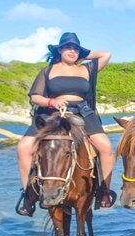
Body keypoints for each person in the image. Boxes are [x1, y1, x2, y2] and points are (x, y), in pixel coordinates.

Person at [15, 32, 116, 216]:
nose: (72, 50)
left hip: (82, 111)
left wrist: (81, 55)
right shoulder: (48, 70)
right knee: (23, 147)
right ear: (59, 49)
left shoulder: (87, 69)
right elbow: (35, 97)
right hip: (51, 112)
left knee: (106, 147)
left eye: (75, 48)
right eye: (68, 47)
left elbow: (106, 54)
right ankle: (28, 194)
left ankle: (103, 192)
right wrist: (52, 102)